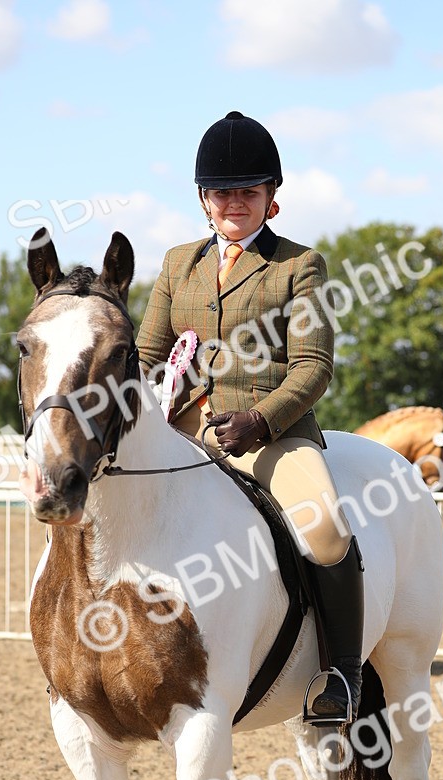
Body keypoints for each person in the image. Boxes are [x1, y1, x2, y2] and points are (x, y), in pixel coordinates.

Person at [136, 111, 364, 724]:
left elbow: (313, 366)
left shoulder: (299, 265)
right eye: (222, 191)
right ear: (203, 199)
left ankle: (341, 673)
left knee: (326, 530)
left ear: (271, 197)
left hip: (271, 436)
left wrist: (260, 422)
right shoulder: (178, 264)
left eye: (248, 190)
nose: (234, 202)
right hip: (184, 431)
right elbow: (148, 356)